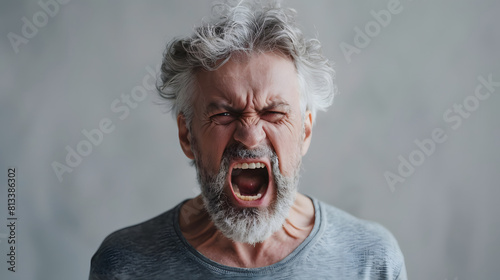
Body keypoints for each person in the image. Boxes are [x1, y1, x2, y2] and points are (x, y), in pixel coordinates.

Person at [89, 1, 407, 279]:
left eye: (273, 113)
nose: (250, 137)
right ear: (187, 135)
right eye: (225, 115)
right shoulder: (124, 265)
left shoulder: (371, 261)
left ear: (305, 132)